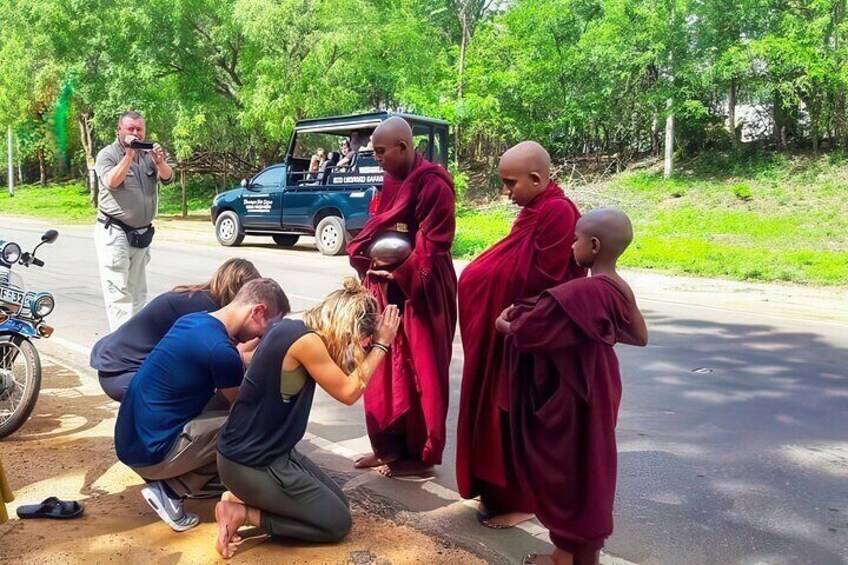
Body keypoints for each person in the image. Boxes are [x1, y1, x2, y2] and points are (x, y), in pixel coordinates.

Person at [497, 210, 649, 565]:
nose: (571, 244)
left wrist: (505, 324)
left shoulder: (583, 291)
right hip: (600, 385)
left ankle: (566, 555)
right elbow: (639, 336)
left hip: (573, 392)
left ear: (593, 246)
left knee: (567, 468)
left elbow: (529, 332)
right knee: (591, 465)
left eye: (576, 238)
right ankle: (582, 553)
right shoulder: (618, 288)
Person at [213, 278, 401, 559]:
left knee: (338, 504)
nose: (350, 346)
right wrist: (382, 345)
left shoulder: (292, 327)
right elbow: (349, 392)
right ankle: (243, 512)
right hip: (251, 463)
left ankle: (242, 498)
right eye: (352, 339)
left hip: (268, 454)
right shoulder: (306, 342)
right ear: (345, 326)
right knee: (336, 524)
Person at [456, 141, 586, 529]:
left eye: (510, 183)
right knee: (501, 415)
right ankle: (500, 490)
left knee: (519, 417)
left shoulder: (558, 213)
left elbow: (544, 281)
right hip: (510, 333)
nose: (506, 192)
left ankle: (525, 499)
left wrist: (492, 285)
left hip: (531, 337)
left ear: (536, 178)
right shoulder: (535, 210)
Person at [114, 278, 289, 532]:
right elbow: (243, 410)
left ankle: (185, 478)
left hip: (132, 442)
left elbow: (233, 359)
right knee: (251, 426)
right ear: (258, 311)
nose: (264, 335)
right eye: (268, 327)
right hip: (152, 455)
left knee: (230, 414)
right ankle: (171, 492)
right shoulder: (220, 350)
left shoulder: (194, 321)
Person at [347, 117, 457, 478]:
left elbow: (433, 245)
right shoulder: (390, 179)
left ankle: (418, 454)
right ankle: (387, 448)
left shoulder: (433, 185)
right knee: (380, 366)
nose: (376, 158)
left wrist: (400, 271)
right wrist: (370, 263)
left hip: (421, 288)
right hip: (384, 284)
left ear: (403, 147)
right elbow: (376, 227)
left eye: (380, 151)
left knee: (420, 372)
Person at [91, 258, 261, 402]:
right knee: (200, 394)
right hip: (123, 374)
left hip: (113, 365)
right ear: (240, 290)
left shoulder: (197, 296)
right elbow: (223, 362)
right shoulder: (207, 311)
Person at [94, 110, 174, 331]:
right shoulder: (108, 154)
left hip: (141, 235)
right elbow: (111, 181)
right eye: (131, 129)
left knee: (138, 293)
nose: (135, 133)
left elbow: (168, 178)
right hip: (115, 232)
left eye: (139, 129)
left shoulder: (149, 154)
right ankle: (120, 348)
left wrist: (160, 162)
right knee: (118, 294)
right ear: (119, 130)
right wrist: (128, 156)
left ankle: (134, 341)